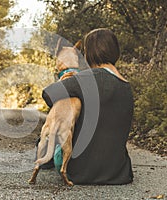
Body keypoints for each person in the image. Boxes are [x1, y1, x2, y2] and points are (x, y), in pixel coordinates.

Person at [42, 28, 134, 185]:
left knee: (48, 134)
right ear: (116, 52)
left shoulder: (86, 79)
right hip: (119, 173)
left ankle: (45, 159)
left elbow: (48, 94)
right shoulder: (127, 87)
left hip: (79, 172)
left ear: (88, 54)